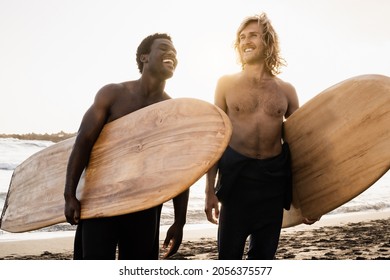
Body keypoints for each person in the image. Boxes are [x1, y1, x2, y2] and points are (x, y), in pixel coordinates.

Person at [64, 33, 189, 260]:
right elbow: (83, 142)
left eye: (175, 52)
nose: (171, 54)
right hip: (101, 200)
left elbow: (179, 168)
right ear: (144, 57)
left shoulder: (172, 111)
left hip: (145, 206)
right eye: (163, 48)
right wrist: (69, 195)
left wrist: (179, 221)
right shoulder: (113, 94)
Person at [204, 13, 317, 260]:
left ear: (267, 41)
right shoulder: (225, 84)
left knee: (264, 260)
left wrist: (308, 199)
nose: (246, 41)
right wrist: (209, 192)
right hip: (236, 184)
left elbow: (300, 145)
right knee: (228, 260)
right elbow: (215, 138)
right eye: (242, 37)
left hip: (273, 186)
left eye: (253, 35)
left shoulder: (286, 90)